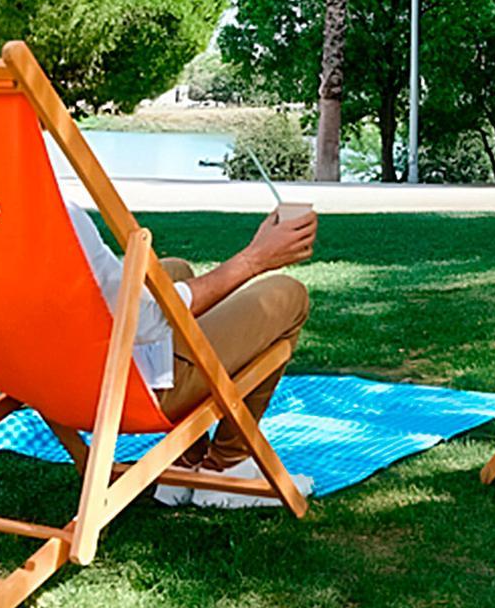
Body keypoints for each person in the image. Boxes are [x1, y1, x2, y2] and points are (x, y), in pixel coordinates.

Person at [66, 202, 316, 508]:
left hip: (53, 387)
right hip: (122, 394)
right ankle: (228, 467)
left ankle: (185, 459)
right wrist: (254, 259)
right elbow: (144, 320)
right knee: (288, 294)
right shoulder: (55, 210)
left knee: (171, 270)